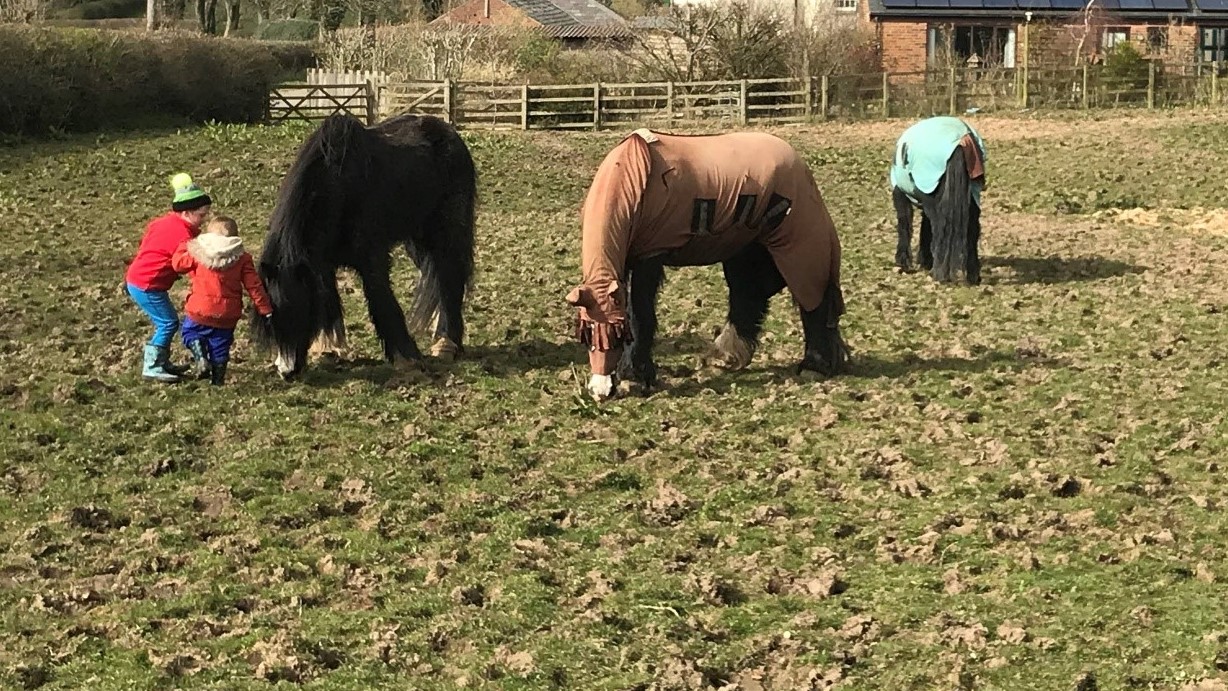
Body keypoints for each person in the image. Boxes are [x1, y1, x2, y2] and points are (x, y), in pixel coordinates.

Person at [125, 173, 212, 383]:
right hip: (148, 285)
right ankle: (152, 365)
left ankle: (162, 362)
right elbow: (188, 263)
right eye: (201, 215)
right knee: (168, 323)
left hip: (139, 278)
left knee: (167, 321)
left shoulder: (162, 222)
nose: (204, 220)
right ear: (187, 212)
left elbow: (148, 241)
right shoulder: (183, 236)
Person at [170, 215, 274, 386]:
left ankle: (201, 357)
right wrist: (265, 308)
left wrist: (185, 245)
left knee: (190, 333)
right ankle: (217, 381)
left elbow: (178, 265)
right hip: (227, 314)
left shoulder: (198, 254)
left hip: (199, 310)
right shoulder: (242, 258)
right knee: (221, 344)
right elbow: (254, 285)